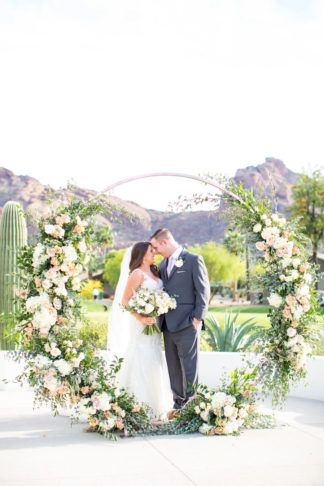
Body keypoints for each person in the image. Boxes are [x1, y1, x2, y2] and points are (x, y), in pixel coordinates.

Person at [107, 242, 173, 418]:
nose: (155, 254)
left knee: (154, 358)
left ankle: (158, 406)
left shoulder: (156, 272)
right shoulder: (137, 274)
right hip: (141, 323)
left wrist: (159, 306)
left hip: (155, 323)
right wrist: (141, 317)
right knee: (142, 356)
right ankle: (139, 406)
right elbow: (125, 301)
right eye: (151, 251)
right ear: (143, 254)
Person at [150, 228, 210, 410]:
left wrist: (198, 319)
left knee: (189, 367)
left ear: (164, 242)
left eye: (155, 247)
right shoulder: (162, 265)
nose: (155, 251)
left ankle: (192, 406)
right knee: (173, 367)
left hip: (187, 323)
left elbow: (203, 290)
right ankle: (178, 404)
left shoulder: (193, 260)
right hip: (167, 325)